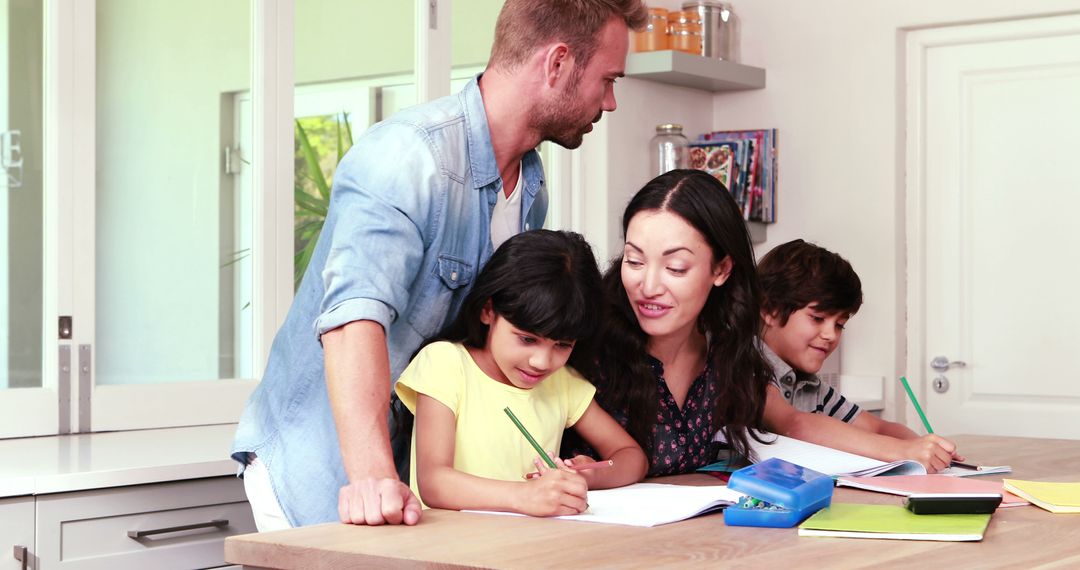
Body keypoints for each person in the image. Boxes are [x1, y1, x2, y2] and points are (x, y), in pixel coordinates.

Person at [231, 0, 649, 530]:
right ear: (558, 63)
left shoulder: (530, 185)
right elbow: (352, 321)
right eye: (607, 79)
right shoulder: (408, 157)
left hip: (403, 477)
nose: (609, 102)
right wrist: (374, 477)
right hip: (328, 469)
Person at [395, 230, 648, 516]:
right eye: (527, 339)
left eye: (562, 345)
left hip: (525, 549)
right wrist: (525, 496)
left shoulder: (561, 383)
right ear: (488, 311)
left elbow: (631, 457)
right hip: (450, 550)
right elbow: (434, 482)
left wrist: (587, 475)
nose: (542, 362)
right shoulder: (445, 364)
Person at [563, 169, 773, 476]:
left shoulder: (726, 352)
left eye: (675, 268)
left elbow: (790, 421)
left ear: (722, 269)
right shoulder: (584, 347)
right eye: (634, 261)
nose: (648, 287)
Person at [757, 239, 963, 473]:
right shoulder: (744, 366)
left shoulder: (812, 387)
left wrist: (924, 447)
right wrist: (904, 451)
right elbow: (795, 425)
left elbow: (877, 428)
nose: (830, 335)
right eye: (817, 318)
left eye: (840, 325)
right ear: (769, 310)